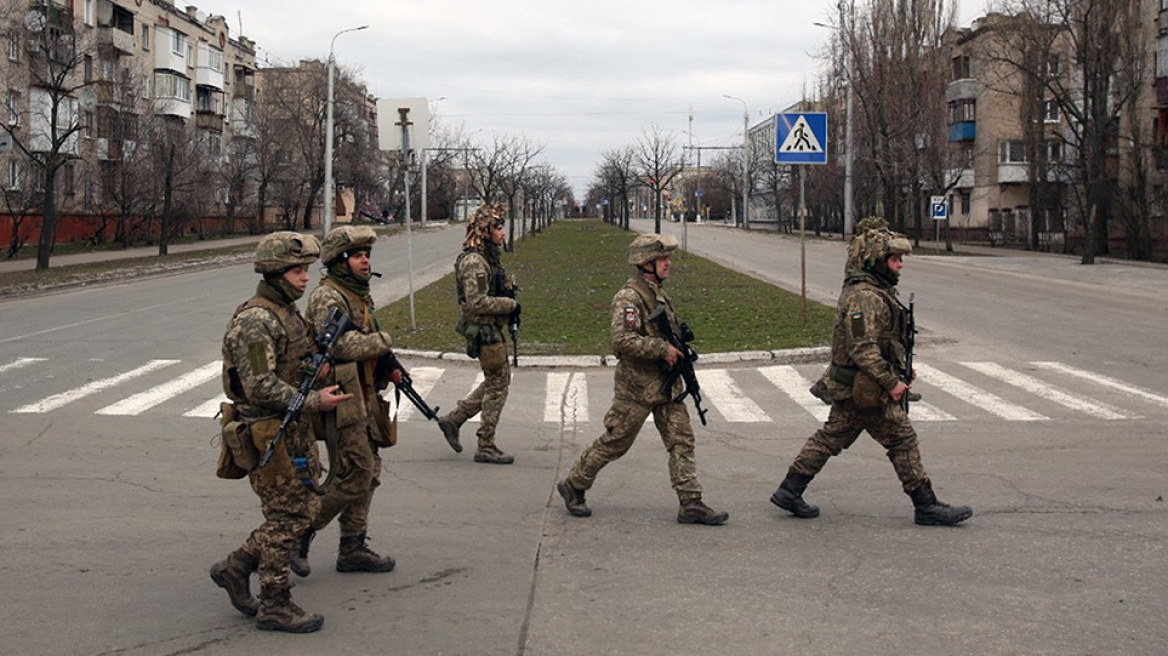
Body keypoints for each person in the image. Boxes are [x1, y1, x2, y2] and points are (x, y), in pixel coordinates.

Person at [769, 228, 972, 526]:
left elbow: (882, 342)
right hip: (865, 388)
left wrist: (901, 368)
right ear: (876, 261)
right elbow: (862, 348)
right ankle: (926, 505)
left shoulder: (875, 292)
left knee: (831, 438)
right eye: (894, 259)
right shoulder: (865, 297)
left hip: (859, 386)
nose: (900, 264)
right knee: (902, 440)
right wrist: (891, 382)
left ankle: (790, 490)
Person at [209, 231, 352, 633]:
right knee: (286, 517)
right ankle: (274, 603)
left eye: (306, 269)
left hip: (292, 429)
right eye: (296, 270)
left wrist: (314, 370)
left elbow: (289, 365)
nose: (305, 277)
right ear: (274, 273)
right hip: (268, 432)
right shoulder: (255, 321)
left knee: (303, 511)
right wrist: (314, 400)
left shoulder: (286, 312)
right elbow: (259, 385)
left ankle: (237, 566)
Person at [556, 233, 728, 525]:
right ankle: (574, 484)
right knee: (616, 441)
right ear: (645, 262)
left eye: (667, 258)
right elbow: (622, 340)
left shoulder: (657, 293)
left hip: (666, 384)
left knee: (681, 439)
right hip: (636, 387)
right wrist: (661, 349)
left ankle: (690, 502)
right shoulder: (629, 297)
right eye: (662, 259)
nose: (668, 264)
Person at [290, 225, 399, 579]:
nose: (365, 261)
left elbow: (363, 335)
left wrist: (389, 365)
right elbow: (337, 345)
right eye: (357, 256)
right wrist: (383, 342)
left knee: (369, 471)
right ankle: (298, 533)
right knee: (356, 473)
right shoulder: (328, 296)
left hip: (362, 394)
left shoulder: (356, 293)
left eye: (367, 255)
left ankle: (352, 546)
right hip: (340, 397)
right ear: (340, 261)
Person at [436, 205, 519, 465]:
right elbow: (476, 302)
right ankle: (486, 444)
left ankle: (455, 419)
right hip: (484, 332)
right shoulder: (474, 262)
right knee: (498, 386)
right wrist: (509, 305)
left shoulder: (487, 258)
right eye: (498, 228)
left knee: (497, 381)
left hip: (491, 329)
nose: (503, 233)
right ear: (484, 231)